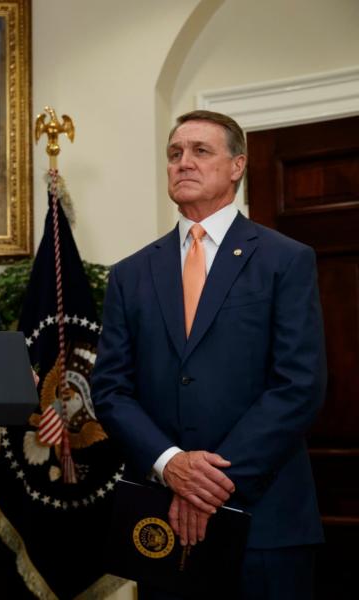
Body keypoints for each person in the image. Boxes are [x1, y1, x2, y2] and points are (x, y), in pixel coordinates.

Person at [91, 110, 326, 599]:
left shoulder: (286, 259)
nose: (183, 163)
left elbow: (298, 385)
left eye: (201, 151)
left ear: (237, 165)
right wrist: (170, 463)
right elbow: (111, 390)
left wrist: (210, 482)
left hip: (265, 520)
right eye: (175, 154)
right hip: (162, 519)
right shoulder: (130, 274)